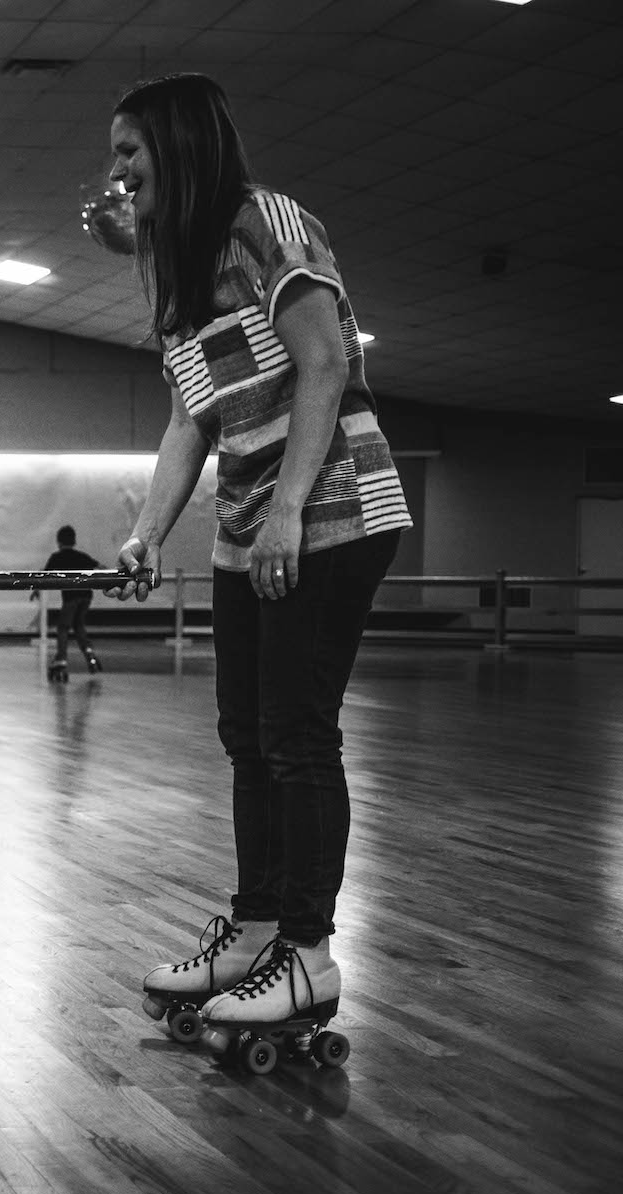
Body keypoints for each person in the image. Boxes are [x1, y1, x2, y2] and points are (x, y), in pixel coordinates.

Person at [106, 74, 412, 1035]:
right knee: (249, 734)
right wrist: (147, 531)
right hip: (253, 519)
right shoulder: (180, 272)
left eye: (128, 151)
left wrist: (287, 511)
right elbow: (191, 422)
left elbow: (324, 361)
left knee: (296, 732)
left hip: (334, 504)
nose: (114, 172)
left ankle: (311, 956)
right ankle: (259, 927)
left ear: (180, 144)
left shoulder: (264, 222)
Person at [43, 525, 102, 673]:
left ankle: (61, 660)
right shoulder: (82, 556)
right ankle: (90, 655)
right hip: (86, 596)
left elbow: (43, 576)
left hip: (71, 597)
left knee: (63, 627)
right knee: (78, 626)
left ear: (59, 541)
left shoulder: (57, 557)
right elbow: (101, 567)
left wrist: (36, 590)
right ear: (74, 540)